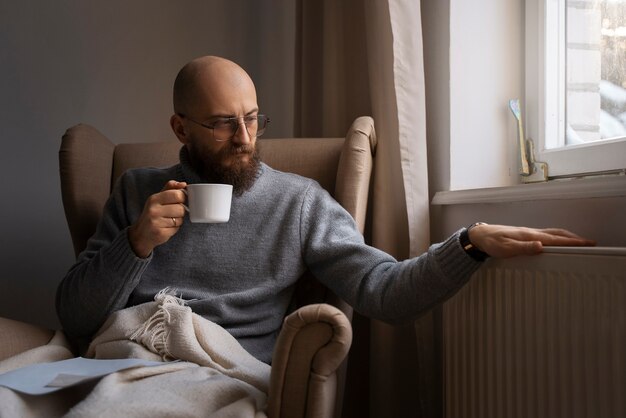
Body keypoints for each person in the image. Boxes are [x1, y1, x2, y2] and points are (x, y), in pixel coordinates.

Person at [56, 56, 595, 364]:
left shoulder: (298, 203)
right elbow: (76, 315)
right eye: (223, 123)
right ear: (180, 129)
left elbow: (385, 291)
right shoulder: (136, 191)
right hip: (124, 358)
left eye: (253, 118)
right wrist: (136, 244)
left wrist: (469, 242)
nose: (245, 139)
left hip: (218, 374)